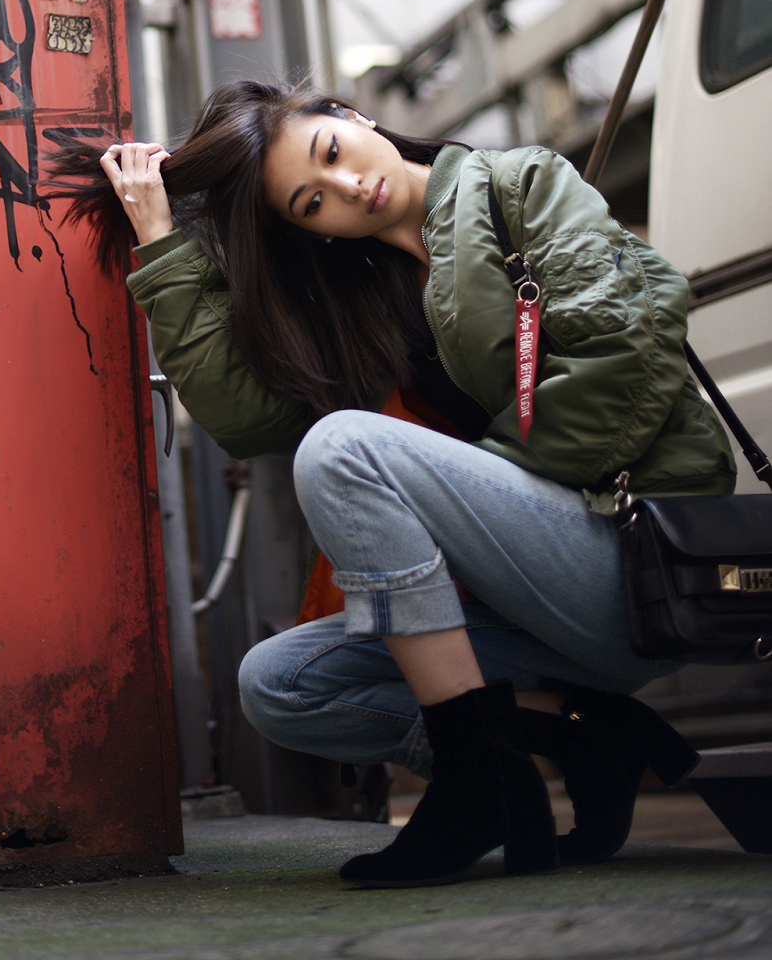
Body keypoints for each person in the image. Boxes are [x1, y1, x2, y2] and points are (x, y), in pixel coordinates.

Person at [48, 80, 735, 889]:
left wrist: (470, 518)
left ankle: (480, 788)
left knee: (343, 447)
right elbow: (248, 422)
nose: (344, 190)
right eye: (312, 203)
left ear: (352, 118)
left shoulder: (518, 186)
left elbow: (628, 357)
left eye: (331, 154)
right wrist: (162, 241)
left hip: (627, 560)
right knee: (281, 686)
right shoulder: (360, 300)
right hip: (528, 600)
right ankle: (581, 734)